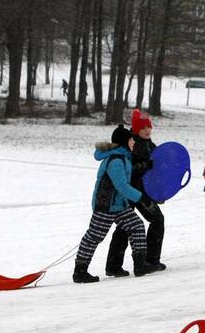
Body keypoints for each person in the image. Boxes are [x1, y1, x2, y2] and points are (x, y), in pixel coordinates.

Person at [72, 125, 151, 283]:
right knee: (94, 236)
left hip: (119, 205)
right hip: (106, 205)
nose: (133, 142)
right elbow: (121, 186)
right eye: (130, 139)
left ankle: (140, 264)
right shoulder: (116, 160)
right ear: (123, 142)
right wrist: (140, 197)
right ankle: (80, 271)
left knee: (136, 225)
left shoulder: (124, 157)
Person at [105, 109, 167, 275]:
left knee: (130, 225)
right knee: (154, 220)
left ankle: (115, 265)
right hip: (133, 192)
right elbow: (128, 170)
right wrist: (146, 165)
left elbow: (156, 172)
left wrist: (160, 192)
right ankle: (147, 261)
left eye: (149, 127)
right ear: (136, 129)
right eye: (143, 127)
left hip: (143, 191)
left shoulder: (149, 144)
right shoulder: (131, 144)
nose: (147, 130)